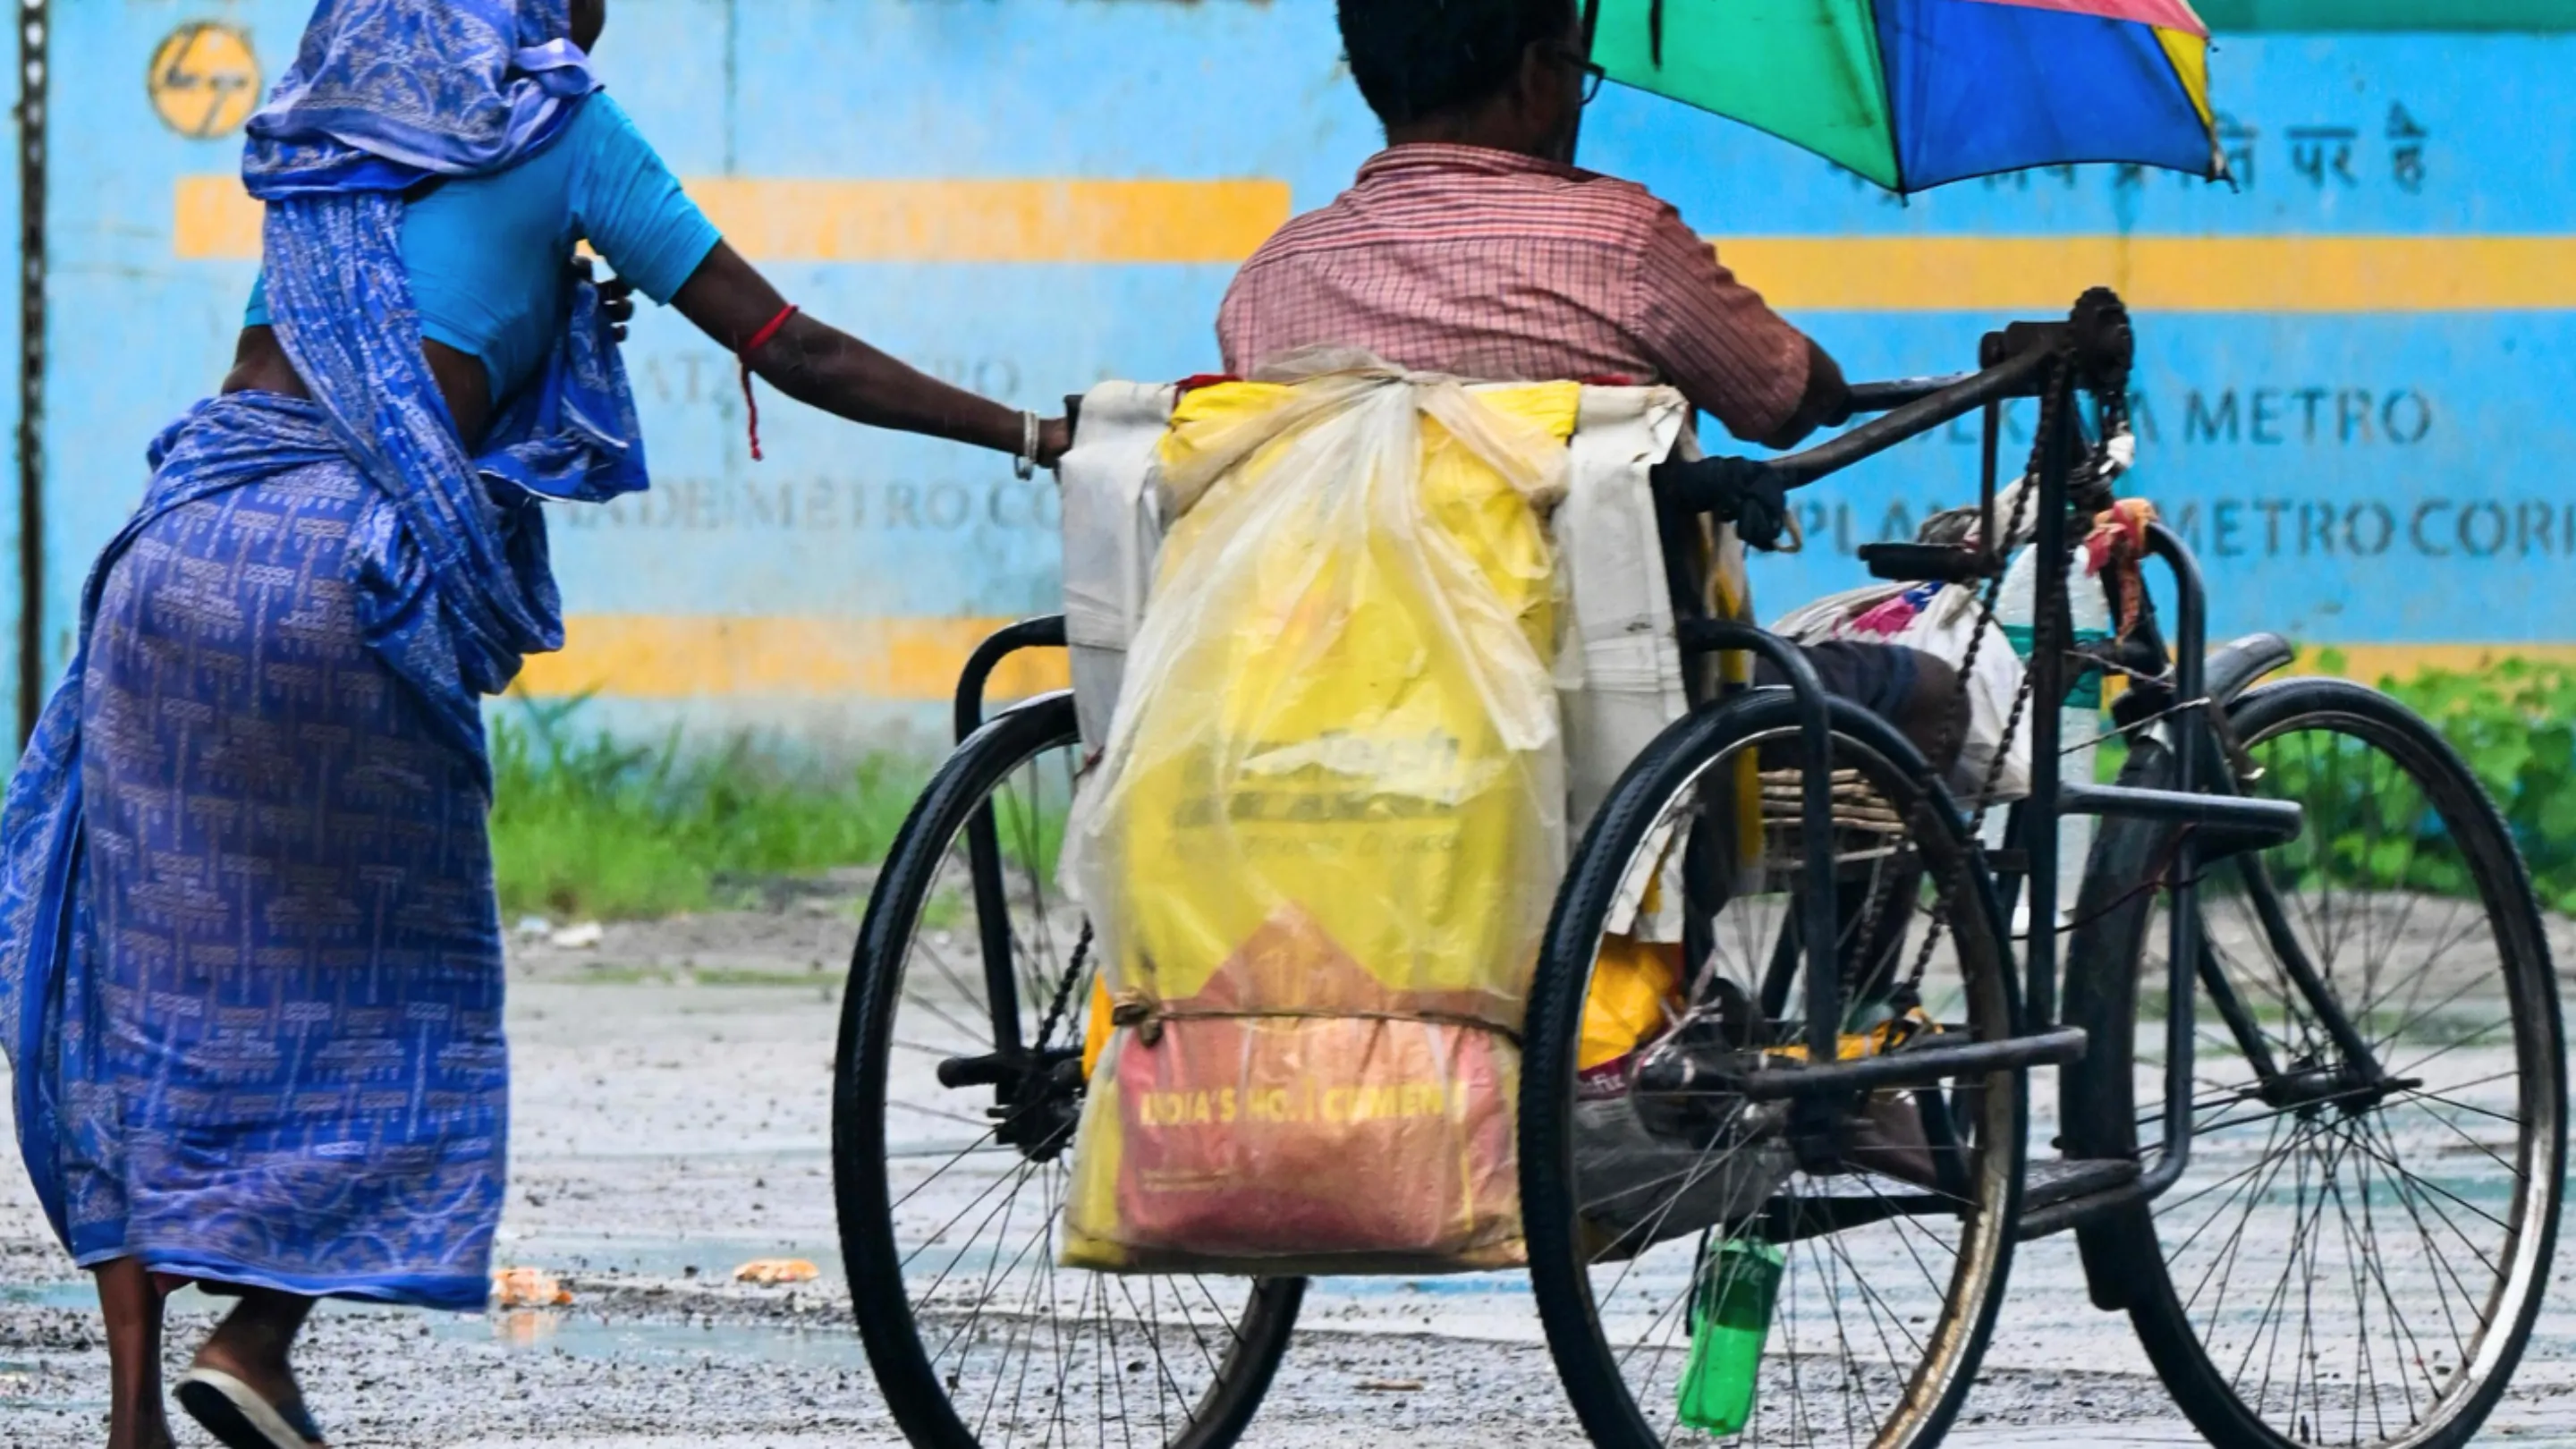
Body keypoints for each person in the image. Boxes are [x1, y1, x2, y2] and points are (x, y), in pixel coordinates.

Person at [0, 4, 1067, 1447]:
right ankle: (255, 1341)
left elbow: (408, 327)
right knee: (399, 986)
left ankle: (132, 1413)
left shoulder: (332, 101)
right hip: (343, 576)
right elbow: (795, 349)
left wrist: (557, 307)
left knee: (135, 983)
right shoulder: (570, 127)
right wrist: (1030, 437)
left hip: (177, 551)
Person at [1218, 0, 1965, 775]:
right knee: (1927, 694)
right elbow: (1788, 405)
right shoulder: (1621, 242)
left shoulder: (1270, 279)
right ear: (1541, 76)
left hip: (1335, 696)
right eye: (1580, 71)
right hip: (1607, 707)